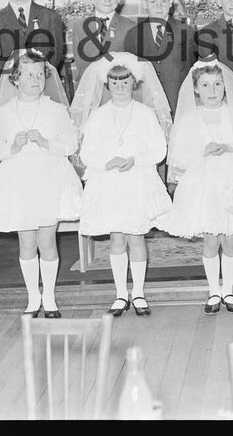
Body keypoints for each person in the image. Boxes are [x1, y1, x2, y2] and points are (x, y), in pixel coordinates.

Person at [0, 50, 83, 318]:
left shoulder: (56, 109)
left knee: (47, 240)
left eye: (39, 74)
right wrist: (12, 146)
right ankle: (32, 298)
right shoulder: (4, 113)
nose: (35, 80)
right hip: (20, 180)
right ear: (15, 79)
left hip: (49, 177)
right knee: (27, 242)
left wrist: (47, 142)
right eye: (28, 75)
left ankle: (50, 298)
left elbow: (70, 144)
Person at [163, 60, 233, 315]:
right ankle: (213, 291)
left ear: (225, 86)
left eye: (218, 84)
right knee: (211, 239)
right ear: (196, 89)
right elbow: (179, 155)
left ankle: (228, 290)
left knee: (230, 238)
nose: (213, 90)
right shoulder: (190, 118)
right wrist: (203, 151)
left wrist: (231, 148)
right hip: (204, 182)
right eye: (206, 85)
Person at [74, 52, 174, 317]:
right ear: (107, 84)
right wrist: (106, 162)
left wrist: (135, 159)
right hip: (109, 182)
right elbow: (87, 152)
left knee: (136, 236)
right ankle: (120, 294)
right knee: (117, 238)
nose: (120, 87)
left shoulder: (144, 114)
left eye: (125, 81)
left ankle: (138, 293)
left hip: (137, 180)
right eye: (115, 82)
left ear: (135, 83)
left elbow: (158, 149)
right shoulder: (98, 116)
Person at [123, 0, 196, 117]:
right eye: (153, 2)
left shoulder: (185, 32)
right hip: (146, 103)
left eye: (163, 1)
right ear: (144, 3)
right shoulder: (133, 35)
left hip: (177, 101)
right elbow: (132, 73)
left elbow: (189, 69)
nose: (159, 6)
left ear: (171, 2)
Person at [69, 0, 134, 82]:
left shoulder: (130, 26)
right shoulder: (79, 26)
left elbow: (132, 66)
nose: (107, 0)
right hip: (89, 87)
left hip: (119, 89)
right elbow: (81, 64)